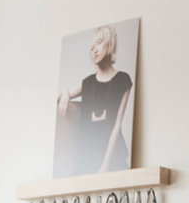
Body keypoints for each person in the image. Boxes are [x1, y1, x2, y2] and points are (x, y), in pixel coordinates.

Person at [57, 25, 133, 176]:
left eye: (99, 43)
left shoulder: (122, 80)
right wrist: (65, 93)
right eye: (92, 47)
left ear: (109, 43)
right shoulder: (88, 83)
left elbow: (116, 124)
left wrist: (105, 165)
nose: (95, 50)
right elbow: (66, 94)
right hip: (87, 158)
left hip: (112, 155)